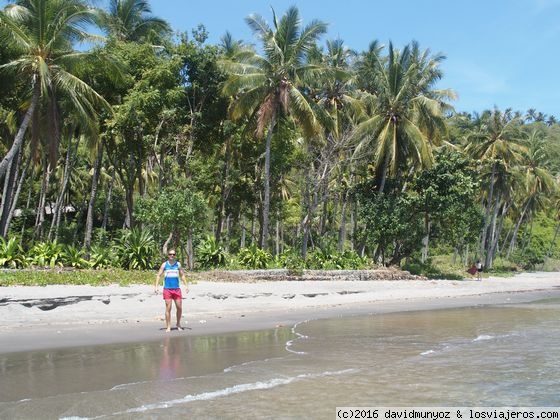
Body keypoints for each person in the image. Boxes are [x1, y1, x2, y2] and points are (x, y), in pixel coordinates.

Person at [155, 249, 188, 332]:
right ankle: (168, 326)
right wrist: (156, 287)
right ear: (168, 255)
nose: (172, 256)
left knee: (179, 307)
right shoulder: (164, 265)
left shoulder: (178, 264)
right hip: (167, 290)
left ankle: (178, 324)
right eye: (170, 254)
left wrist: (186, 286)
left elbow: (182, 275)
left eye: (173, 254)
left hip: (177, 289)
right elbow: (158, 275)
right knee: (168, 308)